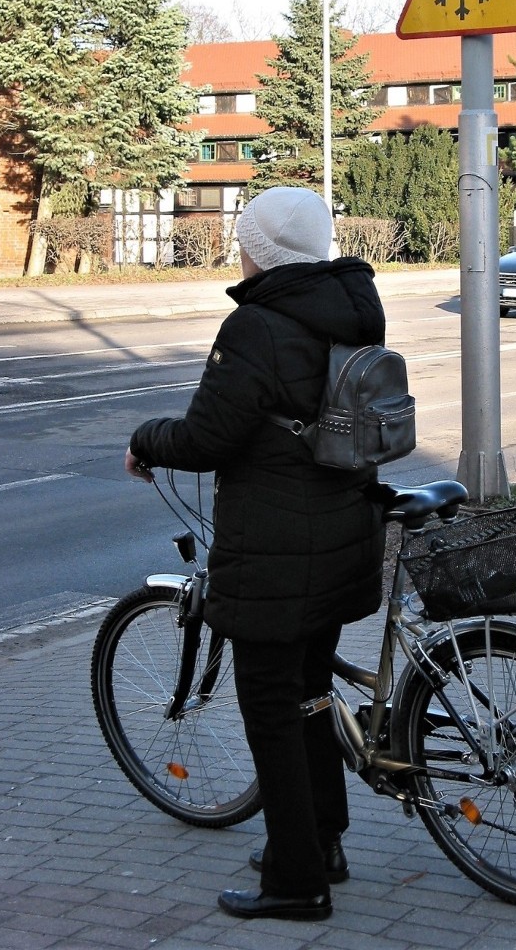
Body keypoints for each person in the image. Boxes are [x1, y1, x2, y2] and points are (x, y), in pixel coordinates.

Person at [125, 186, 386, 922]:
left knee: (273, 708)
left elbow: (209, 438)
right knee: (310, 695)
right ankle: (320, 841)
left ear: (262, 251)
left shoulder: (257, 326)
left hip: (277, 553)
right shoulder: (356, 305)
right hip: (343, 537)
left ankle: (295, 883)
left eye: (244, 238)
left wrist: (146, 440)